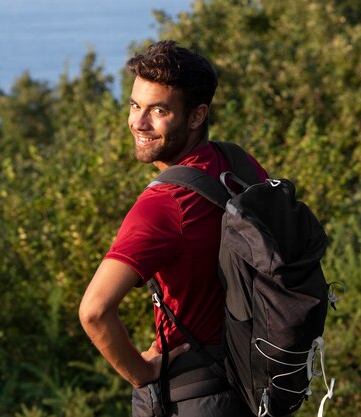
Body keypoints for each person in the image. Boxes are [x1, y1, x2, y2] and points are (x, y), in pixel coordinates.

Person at [78, 40, 267, 416]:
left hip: (191, 395)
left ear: (196, 116)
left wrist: (140, 372)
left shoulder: (165, 205)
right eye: (135, 105)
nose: (138, 122)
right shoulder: (237, 163)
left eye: (158, 110)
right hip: (253, 378)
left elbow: (94, 311)